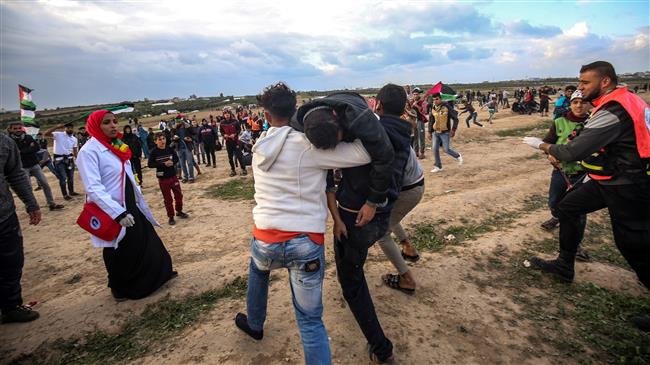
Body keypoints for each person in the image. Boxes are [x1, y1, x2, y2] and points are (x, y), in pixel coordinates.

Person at [234, 82, 371, 365]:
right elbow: (363, 155)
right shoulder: (309, 146)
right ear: (296, 110)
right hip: (305, 243)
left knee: (258, 268)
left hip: (266, 239)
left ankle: (255, 323)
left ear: (266, 115)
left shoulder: (259, 146)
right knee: (309, 322)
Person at [523, 61, 650, 330]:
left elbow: (572, 152)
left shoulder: (614, 109)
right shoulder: (627, 99)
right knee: (567, 207)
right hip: (609, 179)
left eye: (584, 83)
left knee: (632, 244)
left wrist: (542, 145)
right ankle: (564, 265)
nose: (579, 88)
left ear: (604, 81)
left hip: (627, 184)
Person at [296, 85, 409, 363]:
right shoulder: (300, 121)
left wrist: (372, 202)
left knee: (351, 280)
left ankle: (382, 350)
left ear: (339, 121)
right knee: (353, 266)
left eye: (337, 143)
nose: (335, 152)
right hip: (367, 207)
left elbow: (384, 157)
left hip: (362, 212)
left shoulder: (361, 120)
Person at [77, 110, 177, 301]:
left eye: (115, 121)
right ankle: (119, 287)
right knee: (117, 247)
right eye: (107, 122)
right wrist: (117, 213)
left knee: (146, 239)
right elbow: (93, 187)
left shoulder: (117, 146)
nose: (113, 125)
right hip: (111, 208)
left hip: (129, 201)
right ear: (96, 126)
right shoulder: (88, 152)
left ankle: (159, 274)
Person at [0, 133, 42, 323]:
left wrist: (31, 204)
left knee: (12, 262)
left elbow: (15, 174)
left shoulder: (4, 142)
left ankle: (11, 306)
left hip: (4, 216)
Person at [377, 146, 424, 294]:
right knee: (390, 215)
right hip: (414, 184)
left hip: (408, 190)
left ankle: (407, 279)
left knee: (381, 233)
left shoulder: (378, 136)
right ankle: (408, 248)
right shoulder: (387, 128)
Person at [7, 122, 64, 211]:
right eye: (15, 128)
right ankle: (32, 207)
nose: (18, 130)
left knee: (45, 184)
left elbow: (36, 148)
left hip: (34, 165)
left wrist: (23, 151)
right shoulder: (9, 141)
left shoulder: (28, 137)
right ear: (10, 130)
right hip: (22, 167)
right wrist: (28, 149)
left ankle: (51, 204)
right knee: (28, 188)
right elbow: (16, 153)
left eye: (19, 128)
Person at [148, 133, 189, 225]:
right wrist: (163, 164)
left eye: (163, 138)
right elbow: (150, 164)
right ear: (155, 142)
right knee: (168, 199)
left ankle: (179, 211)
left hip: (173, 176)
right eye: (159, 139)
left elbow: (176, 159)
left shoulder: (170, 149)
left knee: (179, 195)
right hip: (163, 179)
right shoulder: (154, 152)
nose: (162, 141)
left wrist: (172, 162)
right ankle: (171, 216)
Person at [44, 122, 79, 200]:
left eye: (71, 127)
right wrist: (56, 126)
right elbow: (46, 134)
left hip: (70, 159)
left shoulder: (74, 139)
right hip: (59, 160)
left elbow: (75, 150)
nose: (69, 129)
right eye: (68, 127)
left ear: (73, 128)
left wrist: (78, 159)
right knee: (63, 178)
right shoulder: (58, 134)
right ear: (65, 128)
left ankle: (71, 191)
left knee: (71, 177)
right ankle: (65, 195)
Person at [428, 93, 462, 173]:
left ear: (440, 99)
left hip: (445, 132)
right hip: (436, 132)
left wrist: (453, 129)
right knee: (434, 149)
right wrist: (429, 131)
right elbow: (431, 120)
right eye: (433, 100)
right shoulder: (433, 108)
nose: (435, 101)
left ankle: (458, 156)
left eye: (436, 99)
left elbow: (455, 118)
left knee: (446, 149)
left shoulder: (446, 107)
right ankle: (438, 166)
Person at [220, 110, 247, 177]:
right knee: (230, 157)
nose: (227, 115)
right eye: (225, 114)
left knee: (239, 156)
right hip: (228, 142)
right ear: (224, 115)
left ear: (230, 114)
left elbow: (239, 130)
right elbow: (221, 131)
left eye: (228, 114)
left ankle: (243, 169)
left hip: (235, 141)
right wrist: (224, 135)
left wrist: (235, 134)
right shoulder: (222, 123)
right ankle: (233, 170)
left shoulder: (235, 121)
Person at [411, 88, 428, 159]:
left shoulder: (422, 102)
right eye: (414, 94)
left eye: (416, 94)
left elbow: (424, 111)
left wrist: (417, 106)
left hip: (420, 121)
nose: (415, 96)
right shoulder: (411, 102)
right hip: (413, 122)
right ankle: (416, 152)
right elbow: (409, 109)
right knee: (415, 137)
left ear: (419, 95)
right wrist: (412, 105)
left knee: (421, 137)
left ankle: (422, 152)